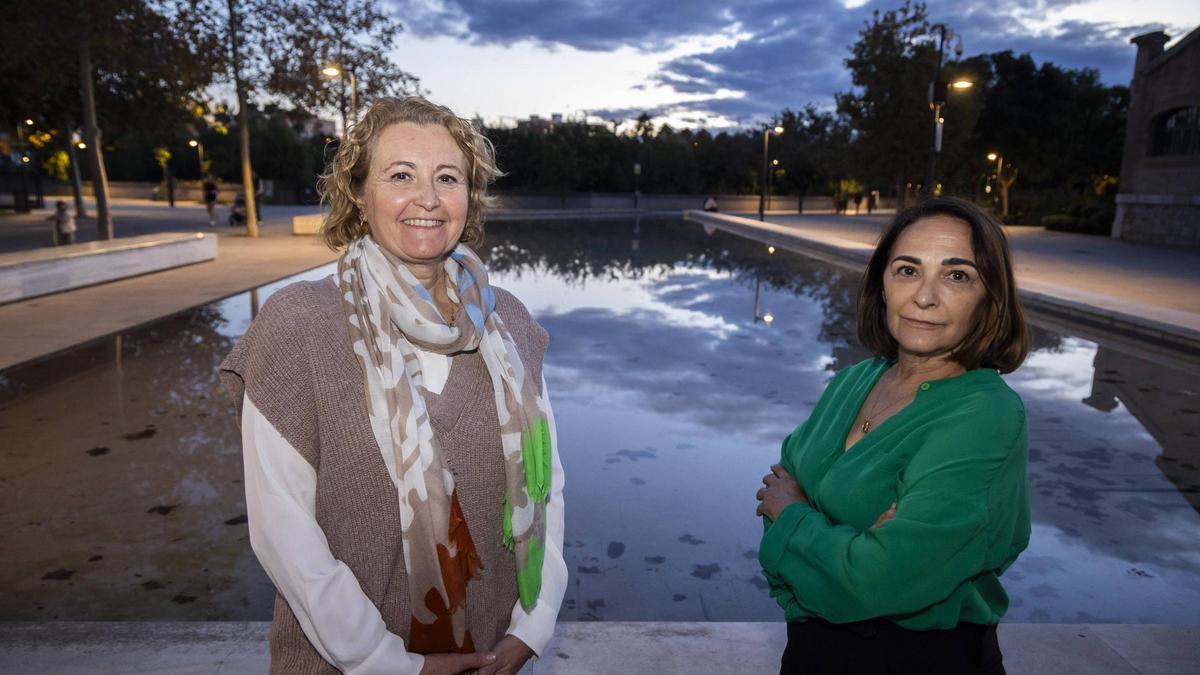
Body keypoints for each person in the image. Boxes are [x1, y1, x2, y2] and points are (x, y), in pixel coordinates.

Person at [220, 96, 567, 675]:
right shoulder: (297, 324)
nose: (427, 198)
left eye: (447, 178)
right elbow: (282, 529)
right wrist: (388, 662)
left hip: (493, 654)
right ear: (358, 192)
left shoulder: (509, 322)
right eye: (401, 175)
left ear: (468, 197)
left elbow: (548, 486)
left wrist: (533, 626)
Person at [755, 196, 1031, 674]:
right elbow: (775, 487)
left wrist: (796, 516)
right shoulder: (854, 380)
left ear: (990, 297)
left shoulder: (986, 415)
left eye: (957, 275)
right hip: (809, 655)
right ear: (882, 284)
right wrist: (847, 547)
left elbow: (876, 580)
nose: (924, 296)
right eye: (907, 270)